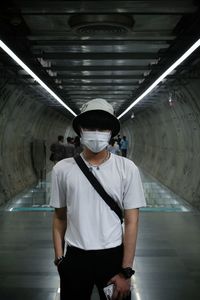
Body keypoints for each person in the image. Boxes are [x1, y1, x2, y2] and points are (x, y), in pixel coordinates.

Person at [50, 98, 146, 300]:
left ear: (111, 132)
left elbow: (131, 221)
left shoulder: (127, 169)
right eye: (90, 126)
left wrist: (126, 270)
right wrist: (60, 259)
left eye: (103, 127)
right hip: (75, 256)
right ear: (80, 130)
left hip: (112, 258)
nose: (96, 132)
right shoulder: (62, 169)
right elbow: (59, 217)